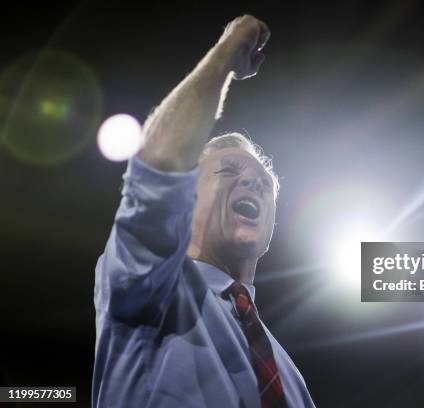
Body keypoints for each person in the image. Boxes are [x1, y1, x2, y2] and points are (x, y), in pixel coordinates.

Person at [93, 15, 315, 408]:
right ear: (185, 196)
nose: (252, 184)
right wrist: (225, 57)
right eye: (229, 171)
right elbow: (160, 162)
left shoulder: (292, 378)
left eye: (264, 185)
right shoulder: (149, 283)